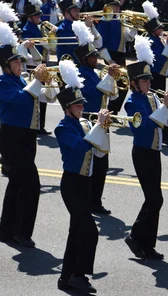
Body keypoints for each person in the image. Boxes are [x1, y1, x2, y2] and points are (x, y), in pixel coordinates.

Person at [0, 21, 58, 248]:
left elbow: (48, 98)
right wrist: (36, 81)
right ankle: (21, 232)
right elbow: (21, 99)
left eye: (20, 60)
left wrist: (47, 82)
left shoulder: (22, 80)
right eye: (16, 62)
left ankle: (7, 231)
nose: (20, 64)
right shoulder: (2, 83)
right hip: (12, 138)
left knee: (16, 185)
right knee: (30, 185)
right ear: (7, 66)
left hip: (27, 138)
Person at [54, 59, 108, 294]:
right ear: (67, 108)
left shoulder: (85, 123)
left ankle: (69, 277)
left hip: (85, 182)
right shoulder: (62, 128)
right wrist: (98, 127)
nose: (80, 108)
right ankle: (77, 274)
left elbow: (99, 150)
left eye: (81, 104)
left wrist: (103, 129)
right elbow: (81, 147)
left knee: (77, 231)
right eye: (76, 105)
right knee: (88, 230)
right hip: (72, 183)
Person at [123, 37, 168, 260]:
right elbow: (144, 126)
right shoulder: (132, 103)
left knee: (156, 199)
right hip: (143, 152)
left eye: (148, 80)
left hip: (154, 152)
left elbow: (165, 120)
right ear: (134, 83)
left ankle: (147, 245)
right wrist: (164, 108)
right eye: (144, 81)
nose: (148, 83)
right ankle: (135, 236)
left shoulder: (152, 97)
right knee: (154, 199)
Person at [73, 25, 120, 215]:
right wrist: (108, 77)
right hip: (89, 121)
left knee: (102, 164)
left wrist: (111, 78)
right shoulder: (81, 76)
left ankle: (95, 200)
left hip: (101, 121)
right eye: (93, 57)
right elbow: (91, 94)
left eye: (96, 55)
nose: (96, 58)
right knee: (94, 164)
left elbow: (113, 95)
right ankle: (91, 200)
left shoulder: (95, 73)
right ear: (85, 59)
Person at [142, 1, 168, 147]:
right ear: (153, 31)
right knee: (160, 104)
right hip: (155, 76)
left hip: (162, 75)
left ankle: (166, 135)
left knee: (166, 103)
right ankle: (164, 135)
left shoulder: (160, 40)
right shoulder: (150, 41)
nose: (162, 30)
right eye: (159, 28)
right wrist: (167, 46)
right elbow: (157, 62)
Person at [21, 0, 51, 136]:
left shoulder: (38, 28)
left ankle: (41, 125)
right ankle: (36, 125)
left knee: (43, 97)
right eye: (36, 16)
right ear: (30, 17)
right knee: (37, 98)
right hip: (33, 67)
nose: (39, 18)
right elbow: (27, 53)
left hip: (41, 65)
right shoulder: (26, 30)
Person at [98, 0, 130, 115]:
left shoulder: (119, 19)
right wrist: (109, 60)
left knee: (122, 85)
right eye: (115, 6)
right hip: (111, 54)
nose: (118, 8)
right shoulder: (105, 21)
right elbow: (100, 44)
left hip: (121, 54)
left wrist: (133, 27)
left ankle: (113, 110)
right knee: (119, 84)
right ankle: (111, 111)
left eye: (118, 6)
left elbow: (128, 37)